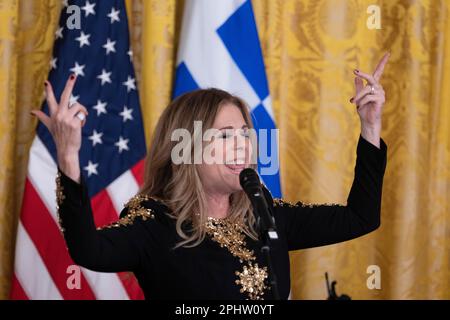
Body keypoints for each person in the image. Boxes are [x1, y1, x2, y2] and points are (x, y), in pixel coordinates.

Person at [31, 53, 390, 300]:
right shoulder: (154, 221)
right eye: (224, 136)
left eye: (245, 135)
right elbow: (88, 250)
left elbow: (360, 218)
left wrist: (370, 126)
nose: (242, 147)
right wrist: (68, 156)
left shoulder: (266, 215)